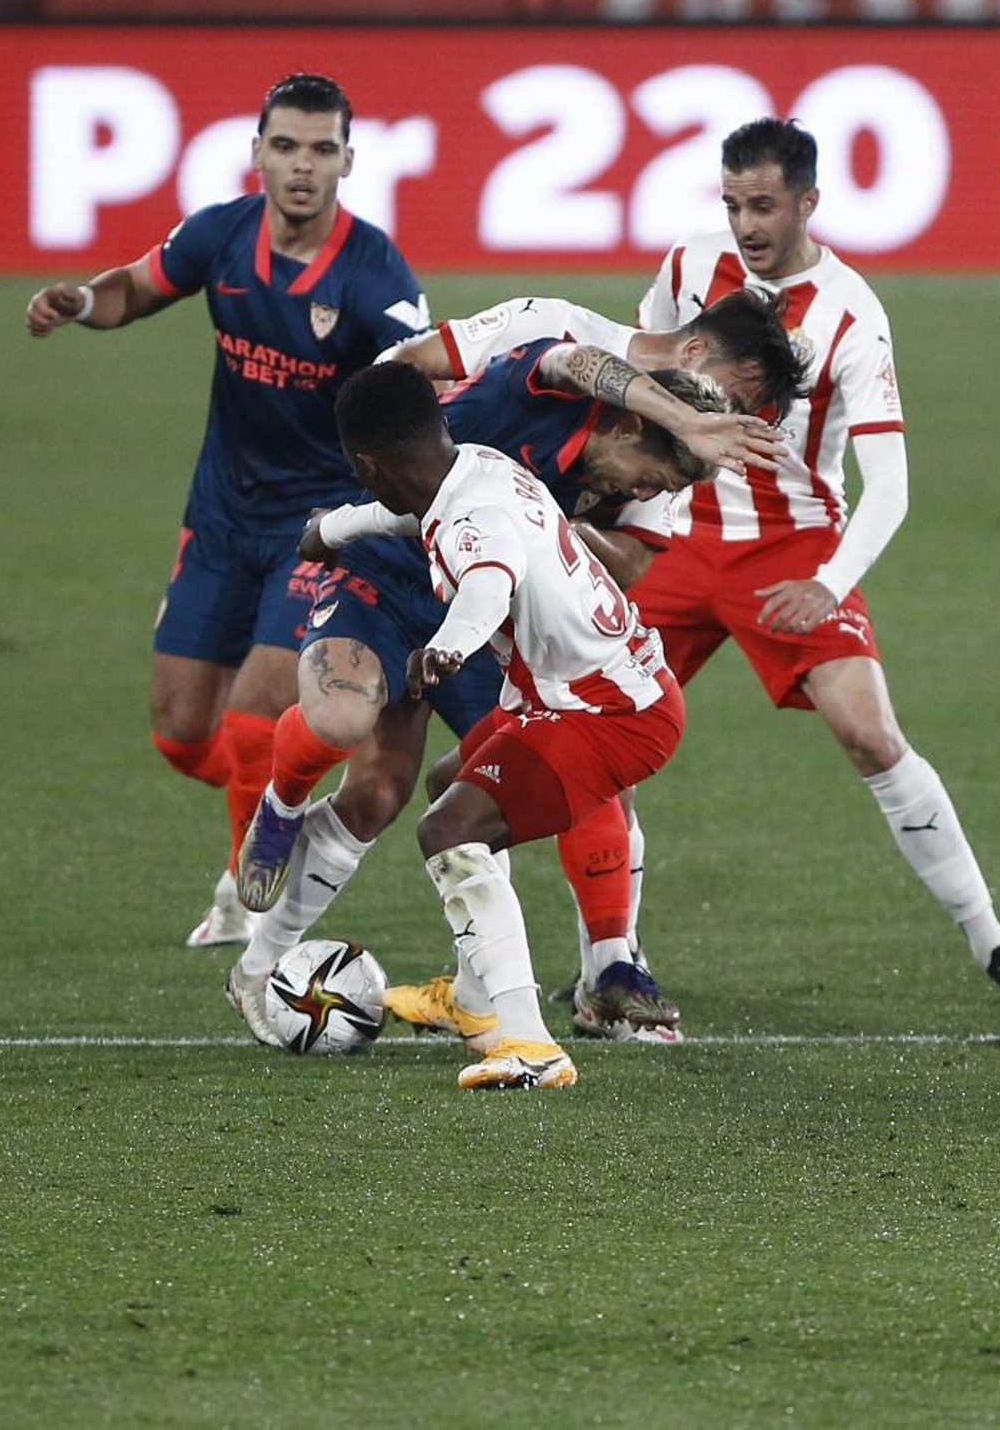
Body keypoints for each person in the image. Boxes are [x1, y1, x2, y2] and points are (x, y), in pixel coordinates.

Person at [581, 116, 1000, 1019]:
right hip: (679, 529)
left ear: (809, 201)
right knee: (599, 740)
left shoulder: (852, 312)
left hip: (794, 545)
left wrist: (829, 583)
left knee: (868, 733)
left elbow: (889, 485)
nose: (746, 224)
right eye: (732, 204)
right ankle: (612, 962)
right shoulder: (690, 266)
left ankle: (992, 941)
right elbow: (633, 373)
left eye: (764, 204)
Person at [215, 294, 803, 1044]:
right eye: (729, 400)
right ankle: (282, 810)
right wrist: (352, 509)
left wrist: (538, 528)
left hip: (486, 622)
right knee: (347, 731)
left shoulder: (656, 465)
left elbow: (622, 564)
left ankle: (602, 971)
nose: (726, 421)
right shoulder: (561, 350)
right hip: (392, 579)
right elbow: (487, 365)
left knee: (524, 778)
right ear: (680, 372)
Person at [24, 72, 430, 949]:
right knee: (181, 733)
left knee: (252, 724)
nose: (302, 166)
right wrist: (81, 302)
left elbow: (424, 378)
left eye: (323, 149)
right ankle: (280, 809)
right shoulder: (220, 235)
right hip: (217, 519)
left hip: (317, 528)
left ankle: (259, 918)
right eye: (285, 145)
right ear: (256, 153)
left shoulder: (374, 274)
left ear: (349, 162)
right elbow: (135, 286)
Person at [277, 361, 692, 1090]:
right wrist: (333, 528)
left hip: (606, 713)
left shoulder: (471, 517)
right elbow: (411, 517)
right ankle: (474, 1002)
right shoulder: (473, 467)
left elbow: (486, 580)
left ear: (367, 463)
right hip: (593, 690)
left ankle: (528, 1043)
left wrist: (444, 649)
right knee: (449, 785)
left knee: (450, 829)